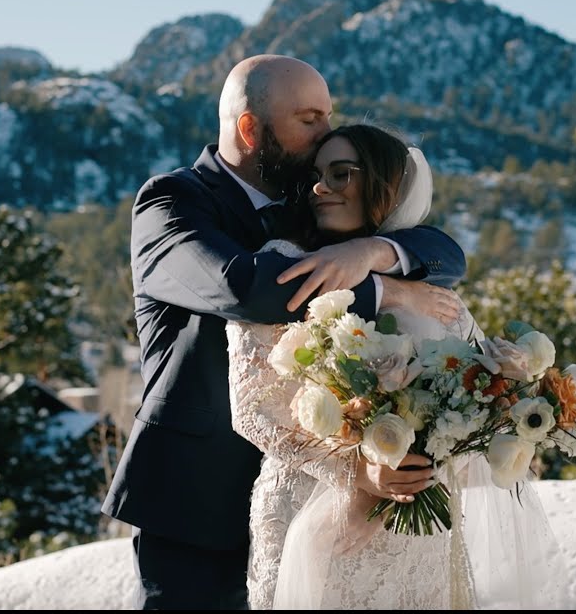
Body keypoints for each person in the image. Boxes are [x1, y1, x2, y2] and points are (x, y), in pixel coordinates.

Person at [101, 56, 468, 610]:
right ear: (251, 129)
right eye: (309, 119)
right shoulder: (171, 202)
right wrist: (383, 289)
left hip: (313, 499)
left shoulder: (311, 198)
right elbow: (245, 288)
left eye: (328, 116)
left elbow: (442, 252)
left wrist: (373, 249)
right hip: (198, 497)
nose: (326, 132)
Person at [228, 124, 559, 610]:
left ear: (384, 184)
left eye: (341, 174)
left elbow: (477, 389)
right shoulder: (282, 264)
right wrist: (358, 474)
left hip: (418, 525)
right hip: (315, 511)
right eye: (316, 176)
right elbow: (254, 407)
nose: (321, 188)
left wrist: (434, 452)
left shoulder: (426, 280)